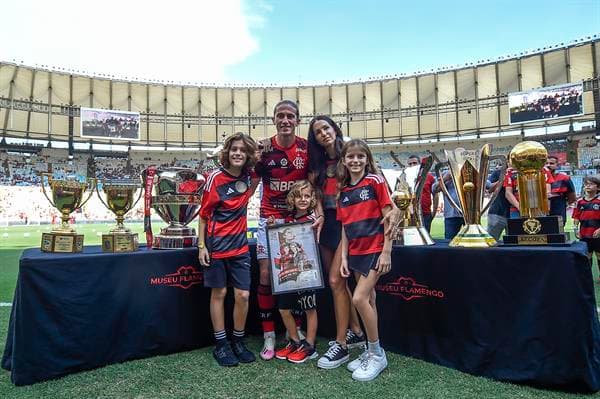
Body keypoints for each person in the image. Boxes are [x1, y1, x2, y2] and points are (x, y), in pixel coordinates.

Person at [252, 100, 323, 360]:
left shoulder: (306, 148)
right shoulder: (266, 148)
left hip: (297, 220)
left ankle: (297, 333)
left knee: (298, 276)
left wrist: (318, 213)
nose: (285, 120)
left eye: (290, 116)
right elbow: (253, 180)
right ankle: (269, 335)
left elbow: (315, 185)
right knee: (266, 274)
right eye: (280, 116)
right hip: (269, 218)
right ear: (273, 120)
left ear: (297, 120)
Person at [306, 116, 366, 370]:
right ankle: (356, 332)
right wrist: (318, 211)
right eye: (317, 132)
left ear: (335, 129)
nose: (323, 134)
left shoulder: (351, 154)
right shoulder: (317, 163)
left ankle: (341, 345)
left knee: (335, 280)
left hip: (347, 224)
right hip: (326, 224)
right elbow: (315, 191)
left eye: (326, 128)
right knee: (337, 284)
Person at [197, 132, 258, 367]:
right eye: (234, 149)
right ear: (227, 152)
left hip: (240, 247)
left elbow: (261, 162)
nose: (238, 153)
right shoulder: (215, 178)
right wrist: (201, 246)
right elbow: (203, 216)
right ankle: (221, 345)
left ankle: (238, 341)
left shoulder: (249, 177)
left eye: (243, 150)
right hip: (216, 247)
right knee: (219, 294)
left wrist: (258, 147)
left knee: (243, 295)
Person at [337, 139, 393, 381]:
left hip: (375, 249)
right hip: (357, 253)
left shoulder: (375, 182)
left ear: (367, 159)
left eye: (361, 156)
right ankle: (372, 351)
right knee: (369, 299)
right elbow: (345, 228)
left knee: (359, 298)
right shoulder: (344, 191)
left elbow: (389, 216)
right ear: (344, 161)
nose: (356, 160)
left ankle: (377, 353)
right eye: (351, 156)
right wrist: (343, 258)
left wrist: (387, 251)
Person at [273, 180, 320, 363]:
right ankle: (294, 340)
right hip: (289, 274)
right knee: (284, 308)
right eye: (299, 196)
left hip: (308, 274)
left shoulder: (314, 221)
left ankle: (309, 345)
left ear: (312, 199)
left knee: (310, 308)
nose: (303, 199)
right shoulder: (288, 220)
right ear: (292, 198)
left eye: (307, 196)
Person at [572, 175, 600, 267]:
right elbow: (576, 217)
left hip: (598, 234)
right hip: (584, 234)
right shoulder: (579, 202)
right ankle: (588, 280)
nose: (588, 186)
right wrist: (576, 229)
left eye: (591, 184)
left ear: (598, 187)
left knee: (599, 255)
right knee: (587, 256)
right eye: (586, 184)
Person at [407, 155, 438, 233]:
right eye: (410, 164)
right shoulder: (405, 178)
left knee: (425, 240)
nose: (412, 165)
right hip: (410, 215)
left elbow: (435, 195)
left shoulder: (430, 177)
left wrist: (434, 212)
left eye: (414, 163)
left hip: (425, 215)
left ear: (419, 164)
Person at [432, 171, 463, 240]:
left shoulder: (467, 171)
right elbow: (434, 189)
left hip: (468, 215)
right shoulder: (445, 173)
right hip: (451, 215)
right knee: (449, 241)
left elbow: (488, 185)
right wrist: (445, 178)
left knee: (471, 242)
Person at [546, 155, 576, 225]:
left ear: (557, 165)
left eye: (551, 163)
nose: (548, 165)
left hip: (559, 208)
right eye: (546, 163)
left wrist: (562, 205)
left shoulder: (564, 178)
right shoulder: (539, 179)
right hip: (542, 211)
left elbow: (572, 197)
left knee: (559, 231)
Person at [486, 163, 510, 240]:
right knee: (491, 242)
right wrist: (502, 179)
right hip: (497, 213)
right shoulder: (498, 172)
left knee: (514, 243)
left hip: (515, 214)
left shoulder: (522, 173)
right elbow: (489, 189)